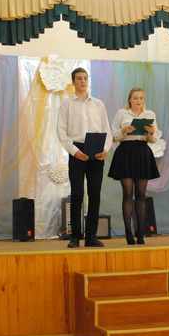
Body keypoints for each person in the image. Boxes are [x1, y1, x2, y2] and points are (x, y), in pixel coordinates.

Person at [57, 67, 112, 248]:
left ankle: (91, 237)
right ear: (73, 82)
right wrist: (73, 151)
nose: (83, 81)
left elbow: (106, 130)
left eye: (85, 78)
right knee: (77, 194)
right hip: (77, 150)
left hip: (96, 148)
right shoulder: (66, 105)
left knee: (95, 194)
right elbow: (61, 131)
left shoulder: (98, 104)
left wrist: (105, 149)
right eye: (79, 78)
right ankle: (75, 237)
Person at [108, 88, 160, 245]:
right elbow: (113, 136)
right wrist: (123, 130)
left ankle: (141, 232)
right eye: (135, 98)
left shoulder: (150, 114)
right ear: (130, 99)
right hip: (126, 152)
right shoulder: (122, 113)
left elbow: (154, 139)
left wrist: (151, 132)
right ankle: (128, 231)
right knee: (127, 194)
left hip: (142, 152)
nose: (138, 101)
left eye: (141, 98)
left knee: (141, 194)